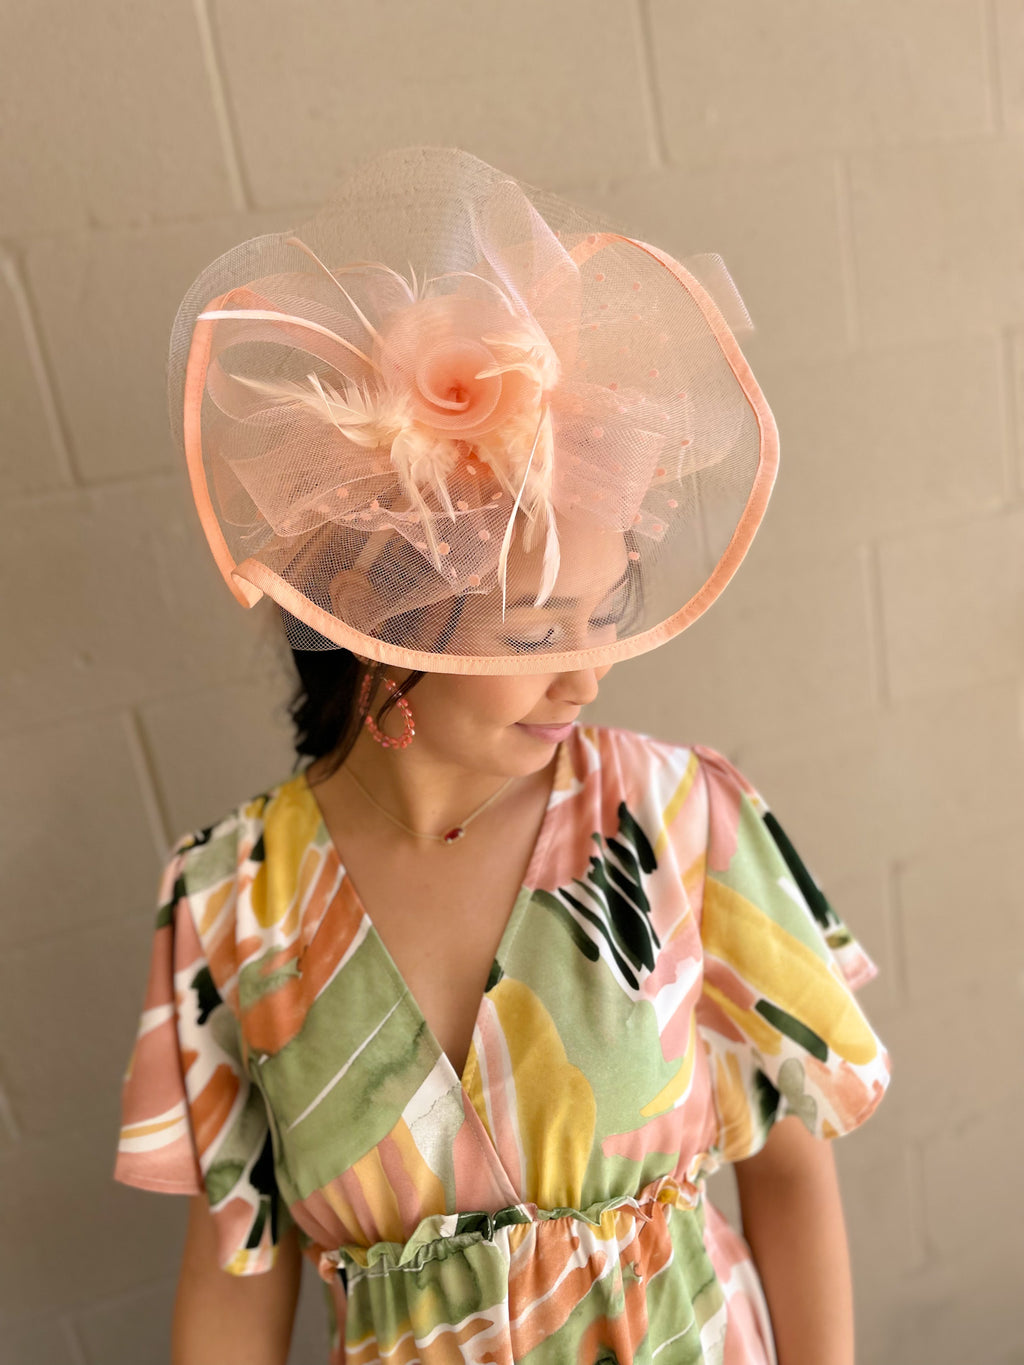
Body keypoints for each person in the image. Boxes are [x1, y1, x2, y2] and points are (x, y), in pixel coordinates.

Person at [113, 147, 891, 1365]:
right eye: (533, 634)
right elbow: (234, 1267)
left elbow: (787, 1163)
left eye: (604, 618)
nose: (585, 676)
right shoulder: (230, 899)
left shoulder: (679, 815)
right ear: (377, 620)